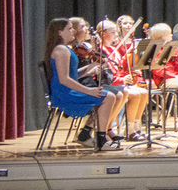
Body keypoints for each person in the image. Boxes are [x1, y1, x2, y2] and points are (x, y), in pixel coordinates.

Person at [44, 18, 119, 150]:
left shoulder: (65, 48)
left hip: (67, 91)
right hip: (64, 94)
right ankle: (100, 140)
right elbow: (64, 80)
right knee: (109, 97)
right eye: (69, 28)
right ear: (60, 32)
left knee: (109, 96)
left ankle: (94, 136)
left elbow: (71, 75)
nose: (73, 30)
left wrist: (89, 69)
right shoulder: (61, 50)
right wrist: (88, 91)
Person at [94, 20, 149, 142]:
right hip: (108, 84)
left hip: (118, 82)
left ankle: (134, 128)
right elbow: (107, 75)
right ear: (103, 33)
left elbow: (120, 68)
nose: (116, 34)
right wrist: (121, 79)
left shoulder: (114, 49)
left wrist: (128, 57)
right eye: (113, 32)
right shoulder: (101, 50)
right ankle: (111, 129)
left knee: (143, 92)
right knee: (129, 93)